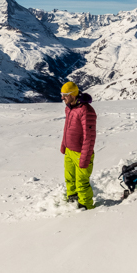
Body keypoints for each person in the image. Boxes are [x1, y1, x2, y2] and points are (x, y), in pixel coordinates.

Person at [60, 81, 97, 210]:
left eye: (65, 94)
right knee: (69, 178)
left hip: (81, 153)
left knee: (81, 182)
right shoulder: (69, 108)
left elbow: (89, 137)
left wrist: (85, 157)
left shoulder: (86, 111)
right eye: (61, 94)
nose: (62, 97)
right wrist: (64, 144)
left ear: (73, 94)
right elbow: (67, 128)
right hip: (69, 151)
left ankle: (86, 208)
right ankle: (72, 200)